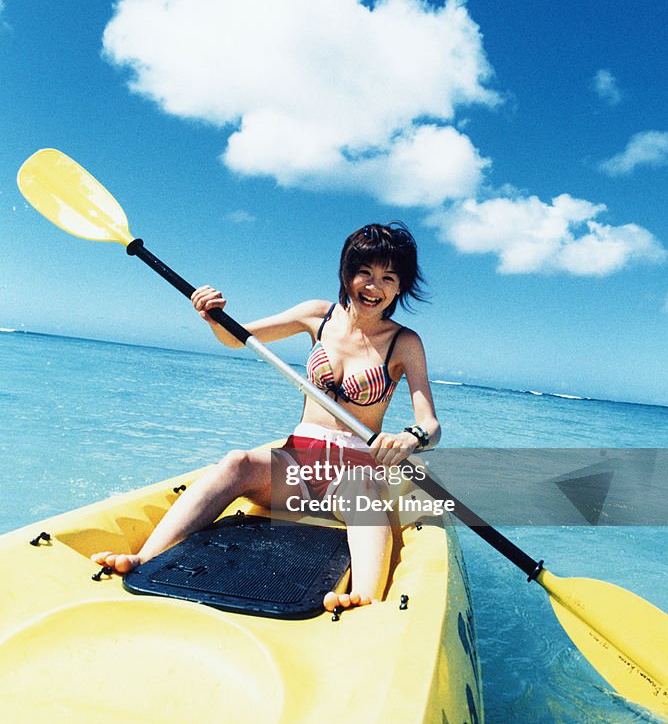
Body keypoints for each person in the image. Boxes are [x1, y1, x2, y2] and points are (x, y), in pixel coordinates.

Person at [92, 223, 441, 611]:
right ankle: (145, 558)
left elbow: (430, 423)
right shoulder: (316, 316)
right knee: (237, 462)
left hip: (352, 473)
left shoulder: (404, 342)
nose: (373, 286)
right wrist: (213, 316)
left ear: (399, 287)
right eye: (365, 273)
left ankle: (364, 597)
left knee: (362, 489)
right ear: (348, 273)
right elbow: (235, 336)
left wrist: (412, 437)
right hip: (295, 464)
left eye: (387, 278)